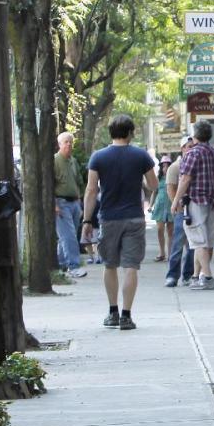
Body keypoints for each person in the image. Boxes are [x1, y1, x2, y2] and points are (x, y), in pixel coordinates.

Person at [83, 114, 157, 330]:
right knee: (131, 266)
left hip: (108, 218)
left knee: (110, 265)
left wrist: (87, 219)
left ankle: (112, 311)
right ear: (130, 133)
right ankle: (126, 315)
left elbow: (91, 189)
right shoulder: (141, 156)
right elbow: (153, 185)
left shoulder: (98, 157)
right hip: (134, 217)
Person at [172, 120, 214, 290]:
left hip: (196, 201)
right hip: (213, 201)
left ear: (194, 136)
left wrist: (176, 200)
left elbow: (185, 179)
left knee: (198, 241)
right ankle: (195, 276)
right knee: (205, 241)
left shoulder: (192, 154)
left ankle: (207, 277)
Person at [54, 132, 87, 278]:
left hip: (74, 202)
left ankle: (60, 265)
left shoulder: (73, 161)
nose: (69, 144)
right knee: (69, 236)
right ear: (60, 144)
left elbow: (79, 181)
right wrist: (54, 204)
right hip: (61, 202)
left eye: (70, 142)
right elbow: (49, 184)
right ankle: (73, 266)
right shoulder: (55, 160)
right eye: (66, 142)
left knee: (66, 236)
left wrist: (80, 202)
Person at [165, 136, 196, 287]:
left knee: (192, 245)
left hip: (195, 208)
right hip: (181, 210)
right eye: (188, 146)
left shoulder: (196, 163)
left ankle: (188, 274)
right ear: (182, 148)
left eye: (193, 146)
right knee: (177, 243)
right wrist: (176, 204)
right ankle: (172, 275)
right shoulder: (175, 167)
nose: (191, 149)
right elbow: (170, 187)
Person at [149, 155, 175, 261]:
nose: (165, 168)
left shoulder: (175, 177)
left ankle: (170, 254)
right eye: (163, 166)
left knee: (170, 232)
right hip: (160, 206)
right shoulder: (158, 178)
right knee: (160, 229)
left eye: (167, 165)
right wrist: (151, 205)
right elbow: (154, 192)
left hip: (170, 206)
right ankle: (161, 252)